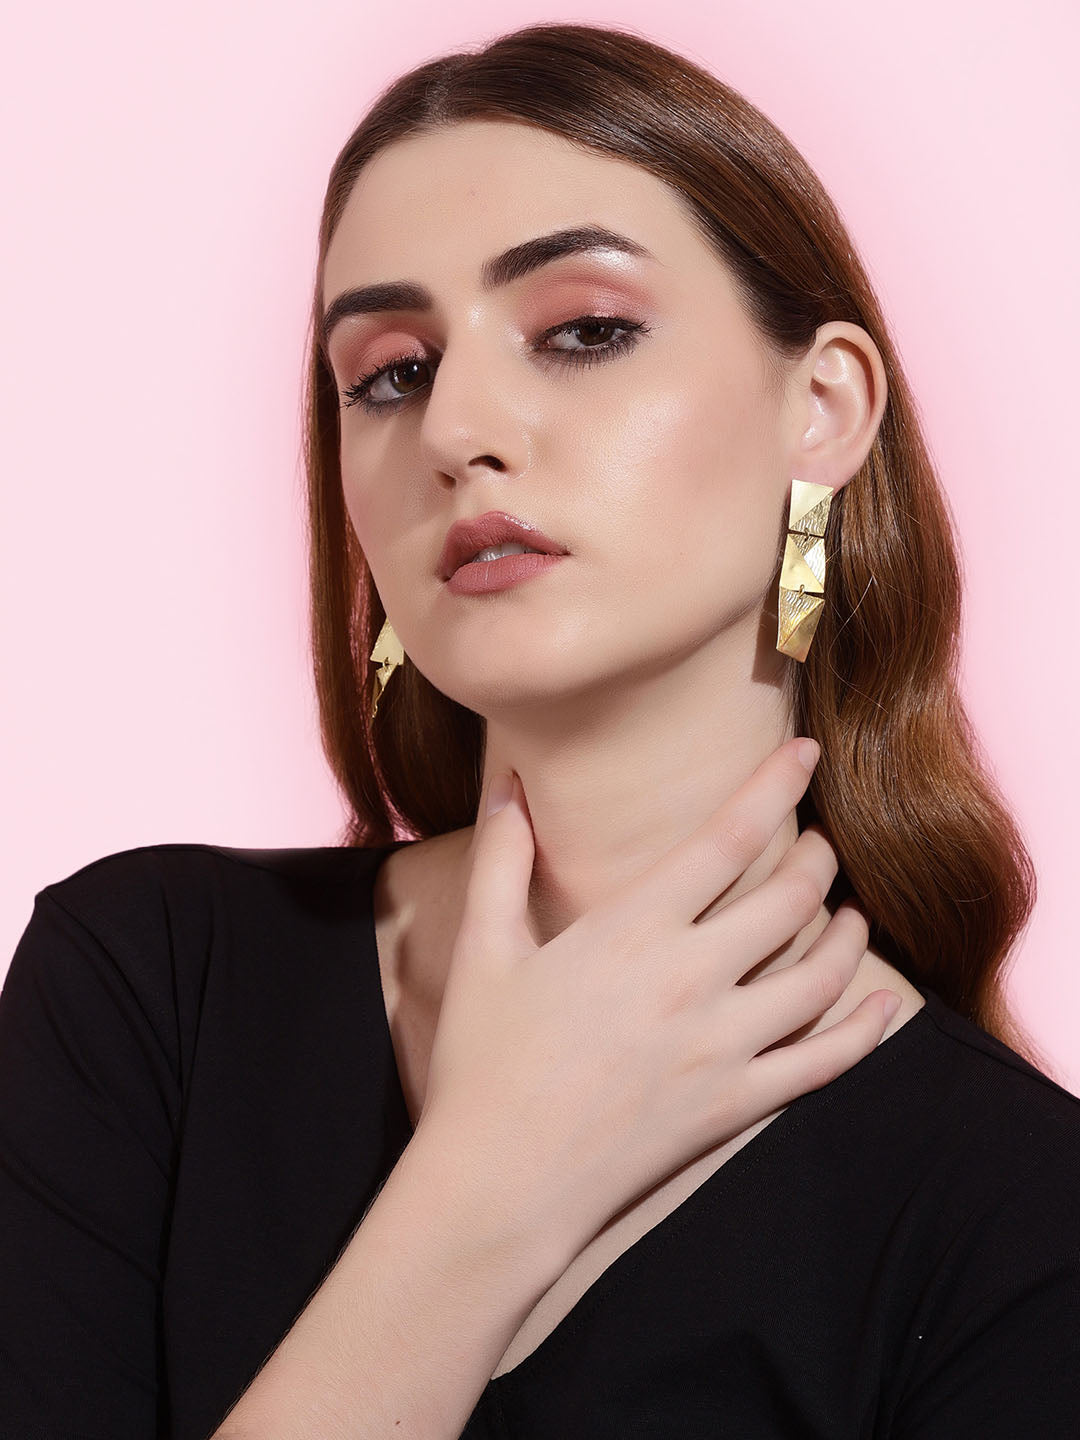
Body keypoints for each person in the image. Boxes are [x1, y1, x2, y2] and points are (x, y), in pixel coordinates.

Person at [2, 20, 1078, 1440]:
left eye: (584, 332)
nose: (456, 429)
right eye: (391, 372)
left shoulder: (1018, 1215)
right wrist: (488, 1186)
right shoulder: (147, 990)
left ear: (823, 409)